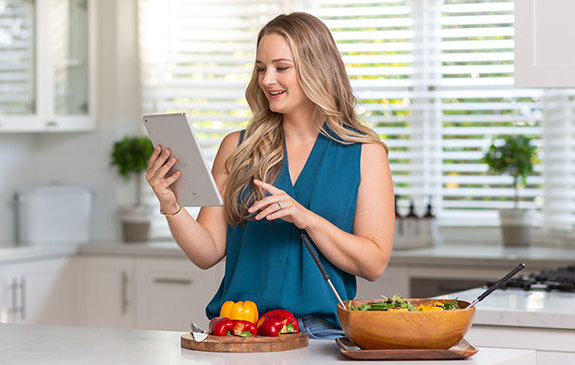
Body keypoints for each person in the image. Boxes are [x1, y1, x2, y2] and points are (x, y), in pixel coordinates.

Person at [146, 12, 394, 339]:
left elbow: (373, 264)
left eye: (281, 67)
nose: (266, 80)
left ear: (316, 68)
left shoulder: (364, 153)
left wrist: (306, 218)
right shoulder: (236, 147)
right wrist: (171, 205)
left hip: (322, 336)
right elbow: (207, 253)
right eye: (261, 68)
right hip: (238, 331)